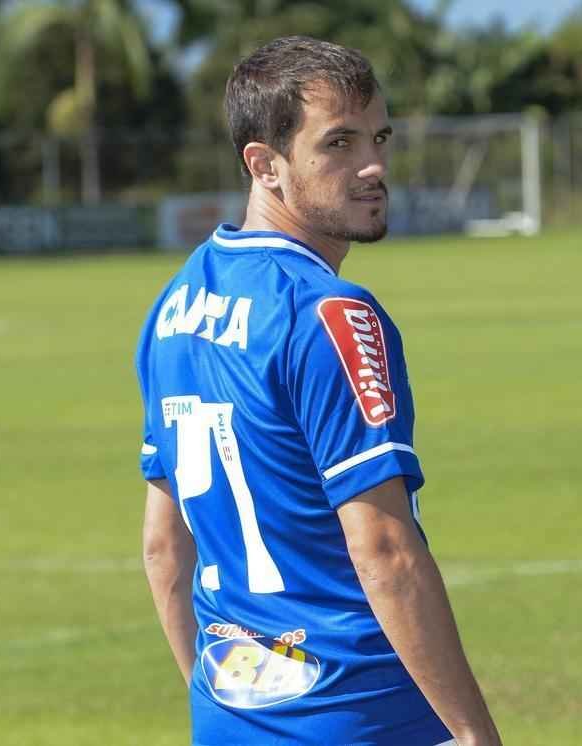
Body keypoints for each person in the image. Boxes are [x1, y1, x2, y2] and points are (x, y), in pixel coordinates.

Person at [136, 36, 501, 746]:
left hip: (230, 719)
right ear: (264, 166)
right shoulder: (332, 314)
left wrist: (220, 704)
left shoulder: (173, 305)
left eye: (380, 137)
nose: (373, 166)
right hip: (365, 715)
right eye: (338, 143)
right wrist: (473, 733)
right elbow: (385, 550)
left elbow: (162, 548)